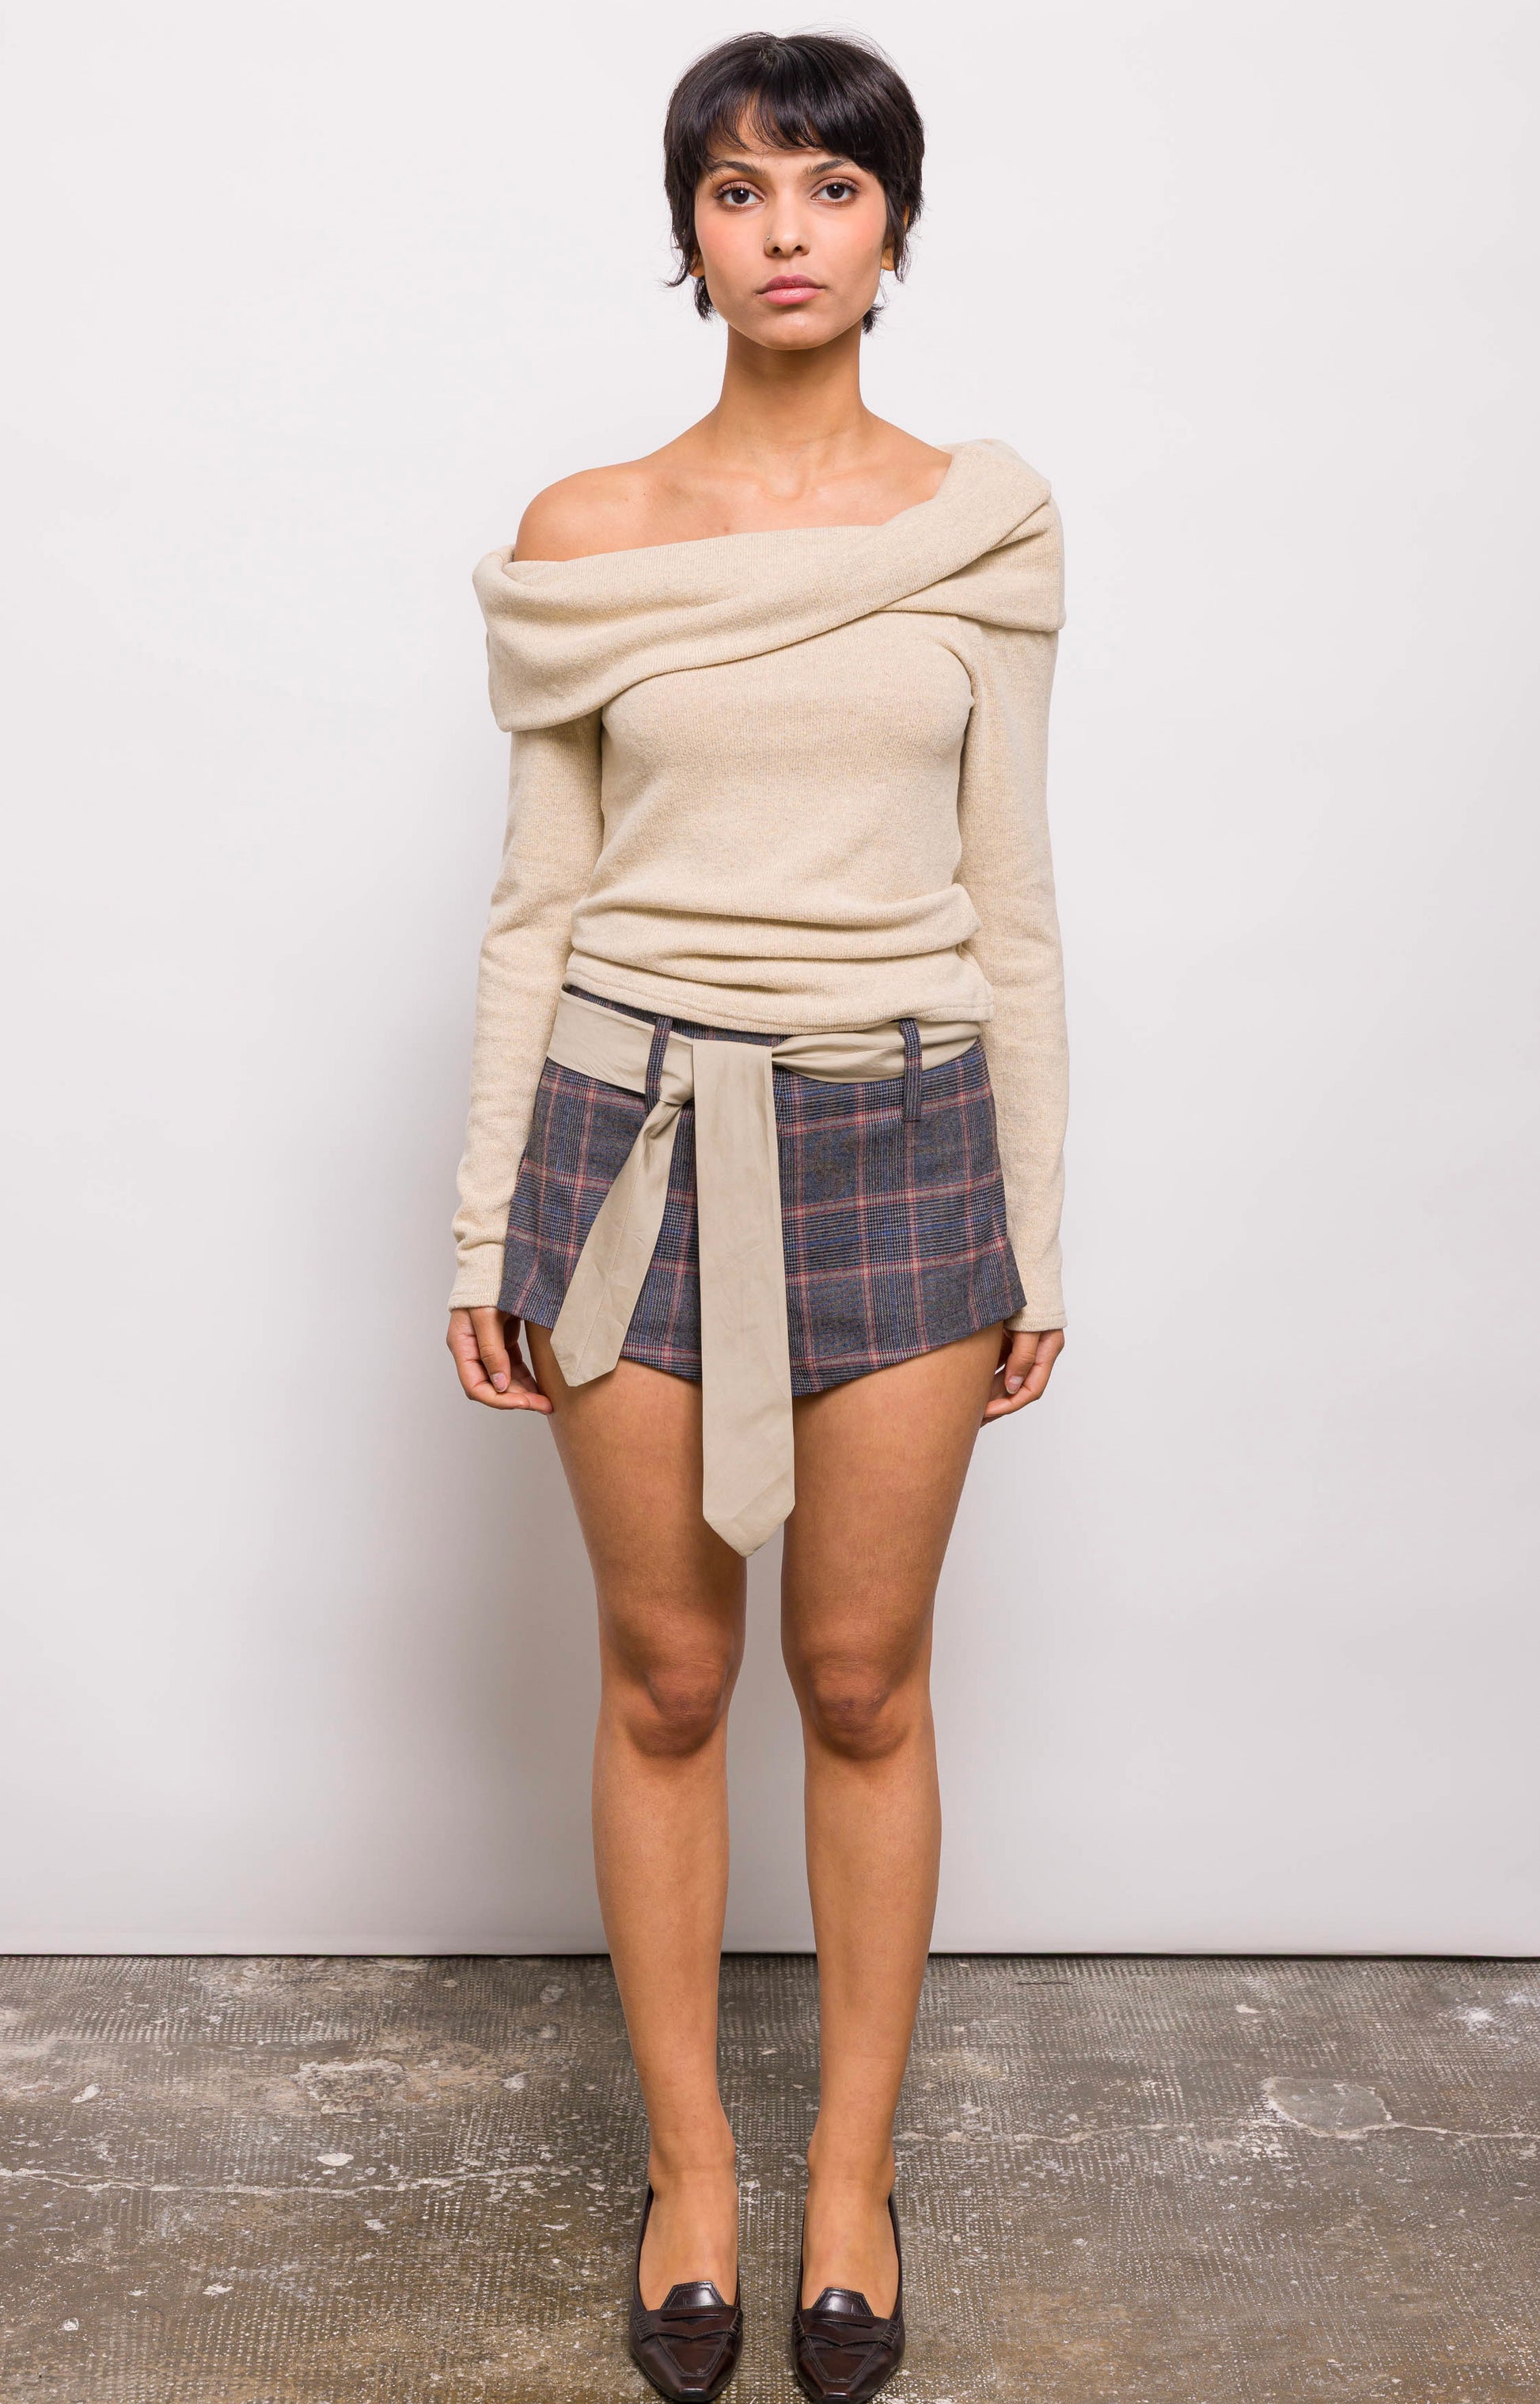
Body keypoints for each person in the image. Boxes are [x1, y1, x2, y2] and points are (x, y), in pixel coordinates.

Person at [446, 31, 1068, 2402]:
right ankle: (693, 2170)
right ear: (687, 232)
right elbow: (538, 900)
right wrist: (485, 1225)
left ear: (894, 229)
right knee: (669, 1679)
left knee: (863, 1681)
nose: (785, 229)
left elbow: (1011, 891)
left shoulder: (979, 525)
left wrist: (1033, 1225)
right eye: (737, 188)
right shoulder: (590, 528)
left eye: (828, 186)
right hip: (624, 1134)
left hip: (905, 1125)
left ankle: (853, 2183)